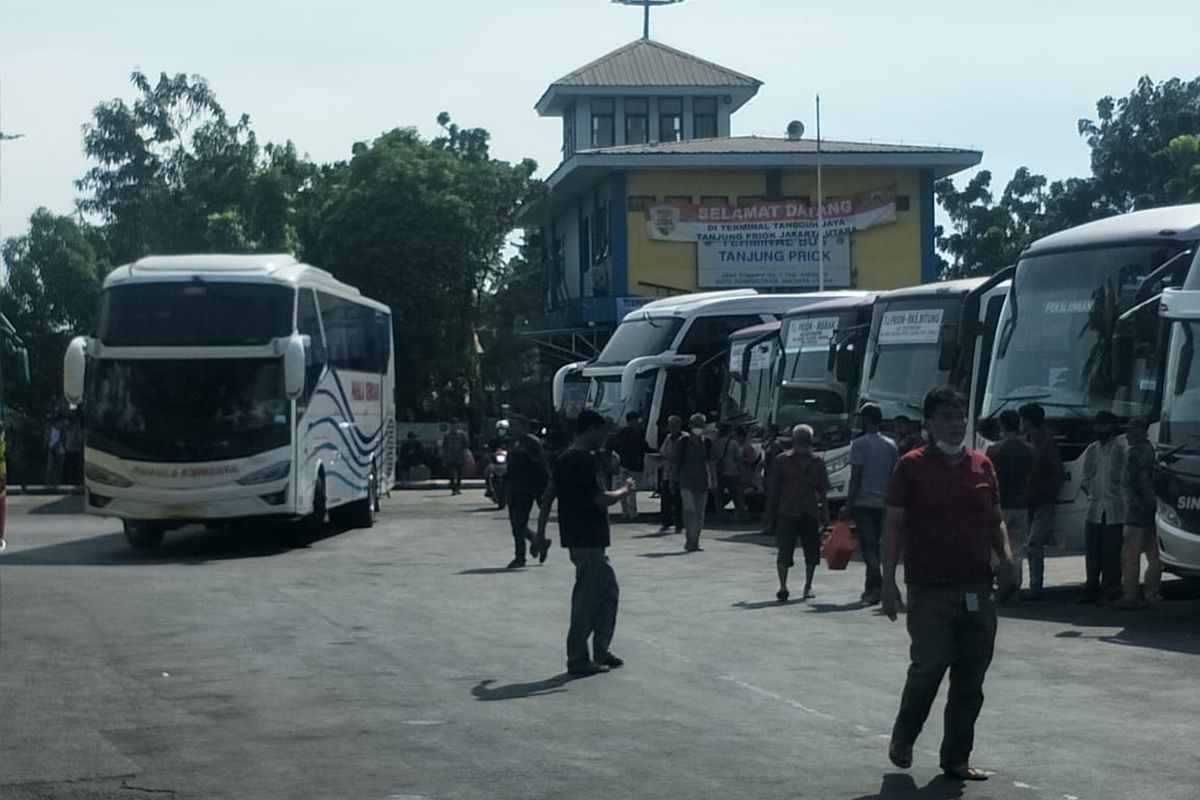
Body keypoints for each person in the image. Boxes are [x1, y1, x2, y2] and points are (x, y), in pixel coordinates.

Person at [882, 387, 1013, 782]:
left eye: (960, 418)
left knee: (971, 677)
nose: (955, 425)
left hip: (977, 588)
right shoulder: (911, 466)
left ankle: (956, 758)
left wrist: (1007, 558)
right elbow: (893, 525)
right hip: (929, 588)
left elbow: (996, 520)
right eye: (945, 418)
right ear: (929, 423)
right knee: (929, 666)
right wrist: (887, 582)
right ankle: (904, 737)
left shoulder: (982, 465)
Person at [533, 410, 637, 676]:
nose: (604, 438)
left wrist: (541, 535)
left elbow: (547, 497)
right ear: (591, 428)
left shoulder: (565, 458)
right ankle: (578, 659)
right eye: (602, 432)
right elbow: (600, 499)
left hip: (578, 539)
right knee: (587, 599)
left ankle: (601, 650)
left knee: (607, 593)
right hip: (588, 538)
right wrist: (625, 491)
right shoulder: (582, 460)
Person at [765, 424, 830, 602]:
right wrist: (769, 513)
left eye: (806, 442)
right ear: (794, 442)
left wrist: (825, 513)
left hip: (809, 512)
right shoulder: (782, 461)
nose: (803, 445)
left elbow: (823, 490)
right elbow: (774, 489)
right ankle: (783, 586)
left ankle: (808, 586)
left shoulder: (818, 462)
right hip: (787, 512)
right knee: (784, 552)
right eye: (800, 442)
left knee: (812, 553)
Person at [845, 403, 898, 605]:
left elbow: (856, 478)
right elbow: (895, 475)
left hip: (864, 502)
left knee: (868, 548)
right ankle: (872, 589)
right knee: (876, 545)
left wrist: (848, 505)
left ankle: (876, 588)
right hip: (885, 503)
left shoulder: (859, 444)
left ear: (866, 420)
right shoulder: (891, 445)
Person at [986, 410, 1034, 598]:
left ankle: (1001, 585)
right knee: (1017, 549)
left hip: (1001, 504)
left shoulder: (994, 450)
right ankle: (1015, 586)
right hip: (1022, 504)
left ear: (1002, 426)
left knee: (997, 548)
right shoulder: (1030, 449)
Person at [1080, 410, 1126, 603]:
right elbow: (1086, 477)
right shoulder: (1092, 449)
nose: (1099, 429)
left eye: (1103, 425)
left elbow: (1125, 479)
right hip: (1094, 509)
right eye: (1097, 425)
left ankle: (1111, 591)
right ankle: (1091, 589)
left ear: (1112, 427)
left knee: (1112, 554)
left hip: (1116, 510)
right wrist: (1092, 492)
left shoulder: (1121, 449)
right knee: (1092, 553)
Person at [1116, 417, 1162, 609]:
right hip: (1154, 509)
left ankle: (1130, 593)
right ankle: (1152, 593)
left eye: (1132, 430)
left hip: (1135, 512)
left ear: (1142, 432)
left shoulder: (1133, 453)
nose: (1128, 434)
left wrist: (1135, 504)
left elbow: (1129, 483)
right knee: (1154, 555)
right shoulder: (1152, 451)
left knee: (1130, 555)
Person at [1020, 403, 1064, 600]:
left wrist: (1040, 491)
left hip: (1043, 501)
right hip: (1028, 500)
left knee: (1034, 543)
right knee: (1027, 545)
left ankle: (1036, 586)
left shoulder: (1047, 443)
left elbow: (1057, 474)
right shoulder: (1028, 440)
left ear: (1028, 421)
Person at [505, 433, 550, 569]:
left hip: (526, 492)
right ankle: (539, 542)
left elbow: (543, 473)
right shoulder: (514, 448)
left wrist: (542, 496)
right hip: (513, 490)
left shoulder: (533, 450)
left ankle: (520, 557)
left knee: (519, 524)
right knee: (517, 526)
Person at [674, 413, 715, 552]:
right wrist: (672, 480)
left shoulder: (708, 443)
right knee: (689, 511)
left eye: (701, 425)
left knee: (699, 513)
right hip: (686, 481)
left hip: (702, 482)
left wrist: (713, 480)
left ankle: (695, 540)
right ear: (690, 425)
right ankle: (689, 538)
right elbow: (675, 462)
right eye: (695, 424)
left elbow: (710, 463)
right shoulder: (683, 442)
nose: (698, 427)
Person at [613, 412, 648, 522]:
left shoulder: (621, 432)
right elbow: (644, 447)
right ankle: (632, 513)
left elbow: (615, 446)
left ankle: (625, 512)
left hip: (623, 464)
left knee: (623, 490)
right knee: (632, 491)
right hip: (635, 466)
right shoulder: (639, 432)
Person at [714, 424, 747, 523]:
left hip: (719, 472)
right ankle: (742, 516)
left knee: (719, 496)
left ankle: (721, 516)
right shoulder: (734, 444)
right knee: (737, 496)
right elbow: (738, 459)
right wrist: (742, 473)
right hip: (732, 473)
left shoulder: (715, 443)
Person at [658, 415, 685, 534]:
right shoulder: (668, 438)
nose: (672, 428)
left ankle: (680, 524)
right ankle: (666, 522)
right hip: (667, 473)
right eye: (671, 426)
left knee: (679, 501)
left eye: (675, 426)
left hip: (680, 474)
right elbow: (663, 451)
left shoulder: (685, 438)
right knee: (666, 499)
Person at [441, 419, 469, 496]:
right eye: (452, 424)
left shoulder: (462, 434)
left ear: (457, 425)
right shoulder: (446, 435)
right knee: (451, 474)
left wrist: (465, 455)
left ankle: (458, 487)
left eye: (455, 424)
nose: (453, 426)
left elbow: (465, 446)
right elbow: (444, 446)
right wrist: (444, 457)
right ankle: (453, 489)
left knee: (460, 474)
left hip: (459, 456)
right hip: (450, 456)